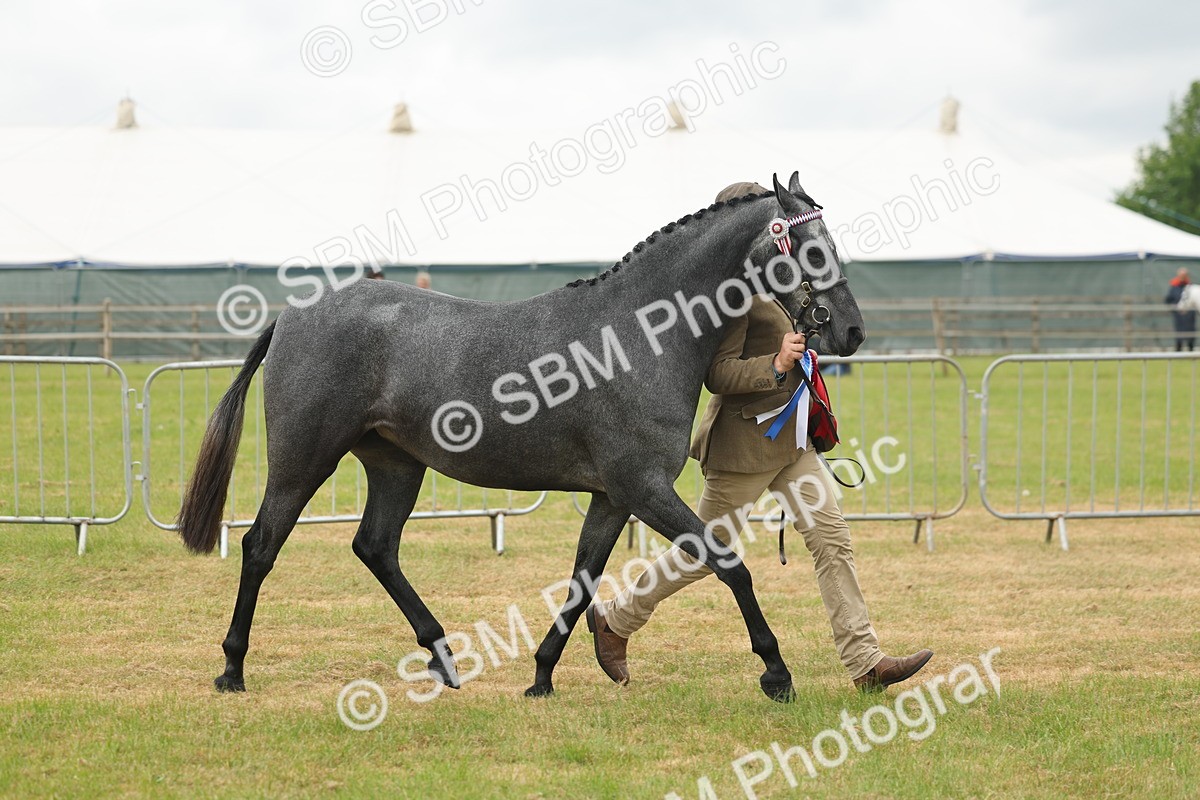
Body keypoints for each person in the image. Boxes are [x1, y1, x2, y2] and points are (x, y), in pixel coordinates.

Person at [587, 181, 932, 693]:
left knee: (832, 540)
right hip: (744, 448)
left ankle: (866, 663)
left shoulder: (786, 283)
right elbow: (718, 375)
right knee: (700, 553)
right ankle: (615, 620)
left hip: (792, 444)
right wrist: (773, 365)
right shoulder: (732, 299)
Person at [1165, 268, 1196, 352]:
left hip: (1189, 314)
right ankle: (1178, 350)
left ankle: (1191, 350)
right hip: (1178, 314)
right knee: (1179, 333)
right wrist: (1174, 309)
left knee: (1190, 332)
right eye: (1181, 275)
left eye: (1184, 275)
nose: (1183, 277)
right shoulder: (1174, 286)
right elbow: (1168, 300)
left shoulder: (1191, 286)